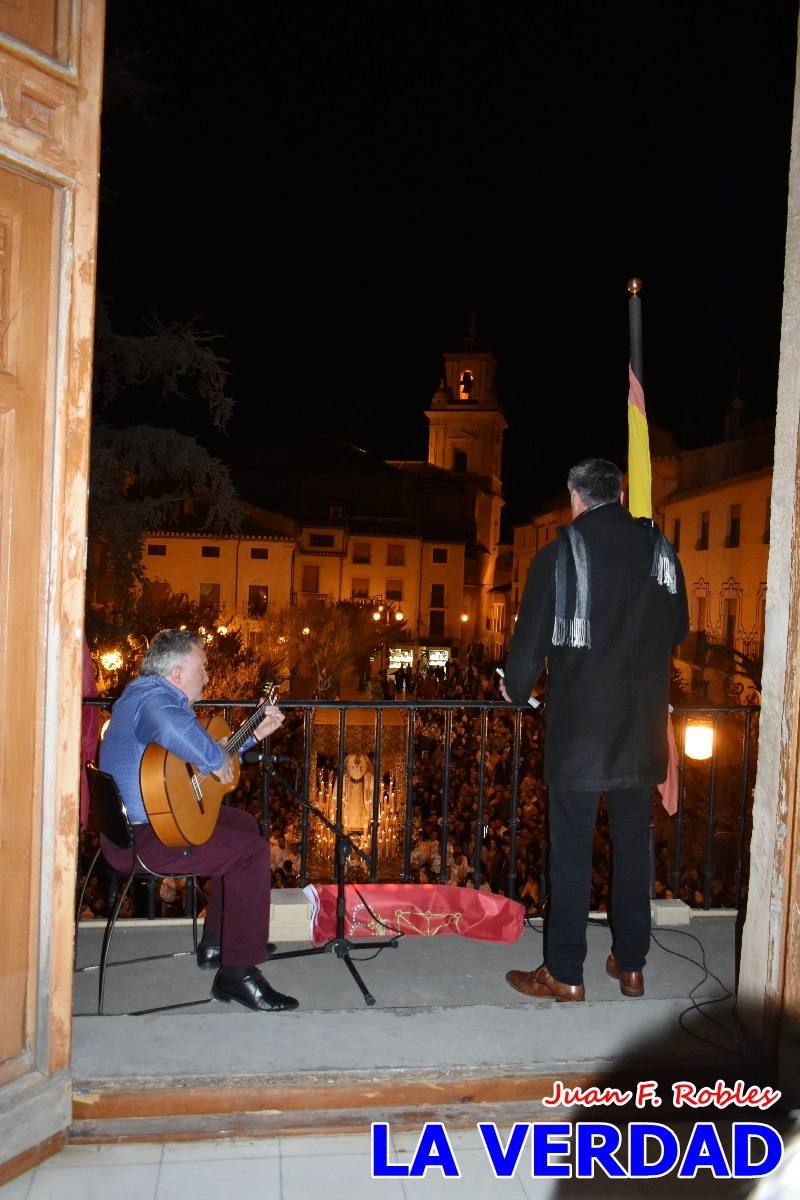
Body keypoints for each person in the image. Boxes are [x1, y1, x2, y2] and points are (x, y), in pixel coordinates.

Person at [500, 458, 688, 1002]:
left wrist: (514, 689)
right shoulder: (658, 550)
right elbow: (678, 627)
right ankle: (631, 965)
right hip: (641, 728)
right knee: (633, 846)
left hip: (580, 734)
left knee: (571, 850)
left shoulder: (559, 555)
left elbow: (529, 646)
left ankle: (565, 972)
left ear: (575, 497)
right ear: (620, 495)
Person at [99, 628, 298, 1013]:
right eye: (202, 667)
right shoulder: (153, 699)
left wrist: (253, 733)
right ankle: (238, 973)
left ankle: (218, 943)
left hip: (151, 823)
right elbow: (192, 744)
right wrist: (214, 758)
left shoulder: (144, 697)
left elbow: (193, 759)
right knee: (251, 852)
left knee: (243, 826)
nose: (207, 675)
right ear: (176, 674)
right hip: (142, 840)